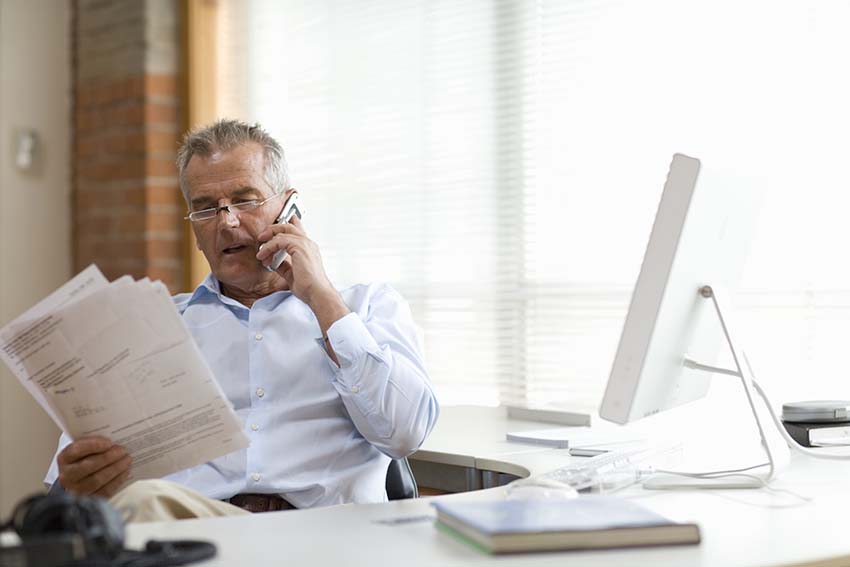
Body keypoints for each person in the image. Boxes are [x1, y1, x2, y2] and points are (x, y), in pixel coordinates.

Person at [43, 119, 439, 520]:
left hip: (324, 533)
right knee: (133, 508)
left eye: (245, 200)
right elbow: (67, 479)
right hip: (192, 532)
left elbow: (404, 433)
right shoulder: (152, 327)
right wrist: (78, 480)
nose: (226, 222)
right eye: (205, 208)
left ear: (289, 207)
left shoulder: (367, 307)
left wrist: (322, 298)